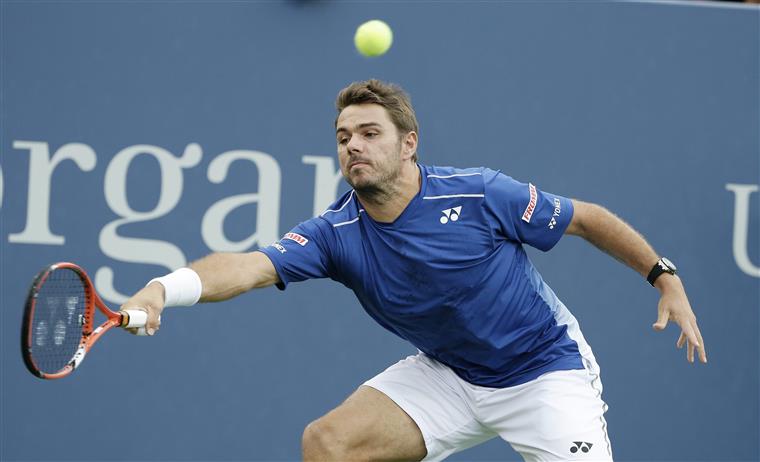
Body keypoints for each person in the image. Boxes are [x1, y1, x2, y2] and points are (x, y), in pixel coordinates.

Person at [121, 79, 707, 461]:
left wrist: (665, 277)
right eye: (344, 137)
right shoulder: (335, 232)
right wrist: (161, 290)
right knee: (328, 444)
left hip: (544, 371)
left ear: (408, 144)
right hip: (451, 375)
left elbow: (587, 219)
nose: (354, 146)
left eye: (370, 133)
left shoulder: (480, 194)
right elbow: (248, 267)